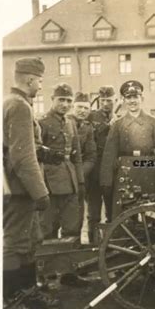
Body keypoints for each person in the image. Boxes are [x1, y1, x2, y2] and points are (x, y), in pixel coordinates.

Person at [3, 57, 57, 309]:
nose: (40, 86)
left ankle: (27, 292)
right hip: (19, 190)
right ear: (29, 79)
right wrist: (41, 192)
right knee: (15, 244)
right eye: (39, 81)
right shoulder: (19, 106)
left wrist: (45, 152)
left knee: (30, 242)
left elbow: (25, 148)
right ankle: (11, 303)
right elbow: (21, 157)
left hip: (20, 187)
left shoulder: (15, 103)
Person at [100, 81, 155, 218]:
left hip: (149, 173)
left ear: (141, 99)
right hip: (126, 173)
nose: (132, 101)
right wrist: (106, 182)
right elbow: (109, 154)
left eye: (135, 97)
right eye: (128, 98)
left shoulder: (153, 122)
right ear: (124, 101)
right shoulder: (118, 125)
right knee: (125, 213)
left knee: (151, 213)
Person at [38, 83, 84, 241]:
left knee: (72, 226)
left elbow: (76, 155)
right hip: (49, 182)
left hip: (70, 180)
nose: (65, 104)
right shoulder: (42, 122)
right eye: (61, 100)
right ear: (52, 99)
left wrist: (80, 180)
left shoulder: (70, 122)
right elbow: (36, 152)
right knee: (48, 227)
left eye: (69, 100)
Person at [86, 86, 116, 242]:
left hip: (112, 170)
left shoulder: (119, 116)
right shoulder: (91, 117)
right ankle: (93, 243)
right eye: (103, 100)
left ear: (115, 100)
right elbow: (90, 138)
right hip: (95, 172)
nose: (106, 104)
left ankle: (111, 244)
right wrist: (109, 125)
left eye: (109, 100)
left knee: (113, 211)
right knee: (94, 212)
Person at [67, 92, 97, 238]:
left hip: (80, 178)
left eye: (86, 108)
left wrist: (80, 175)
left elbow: (91, 156)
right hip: (59, 177)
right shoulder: (65, 122)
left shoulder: (88, 127)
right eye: (79, 107)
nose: (82, 111)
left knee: (77, 218)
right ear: (73, 107)